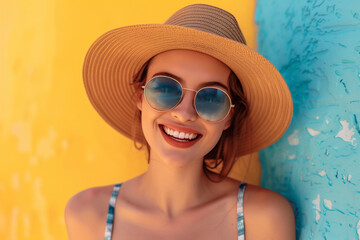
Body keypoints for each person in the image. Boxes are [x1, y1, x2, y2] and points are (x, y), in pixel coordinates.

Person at [65, 4, 296, 240]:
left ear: (229, 117)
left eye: (212, 98)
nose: (185, 113)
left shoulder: (264, 218)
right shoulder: (88, 214)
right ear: (140, 96)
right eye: (165, 88)